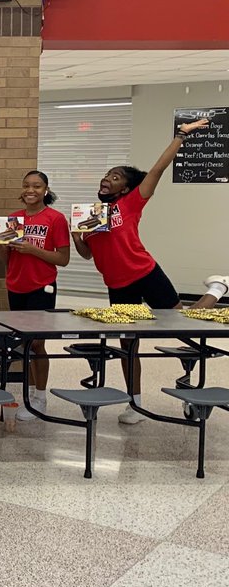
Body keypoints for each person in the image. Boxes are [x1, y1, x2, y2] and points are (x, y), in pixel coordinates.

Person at [72, 117, 210, 423]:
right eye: (106, 174)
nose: (107, 179)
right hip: (118, 285)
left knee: (184, 322)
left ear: (127, 187)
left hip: (146, 273)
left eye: (116, 177)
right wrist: (77, 236)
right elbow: (86, 254)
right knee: (128, 344)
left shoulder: (131, 203)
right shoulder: (92, 215)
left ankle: (217, 290)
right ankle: (133, 403)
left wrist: (180, 137)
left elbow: (158, 168)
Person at [0, 170, 70, 420]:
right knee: (24, 342)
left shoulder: (55, 219)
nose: (30, 190)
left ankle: (41, 397)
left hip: (42, 286)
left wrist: (32, 250)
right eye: (26, 185)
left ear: (46, 190)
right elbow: (7, 259)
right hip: (16, 285)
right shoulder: (14, 218)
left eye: (36, 186)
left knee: (38, 343)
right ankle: (30, 393)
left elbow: (63, 258)